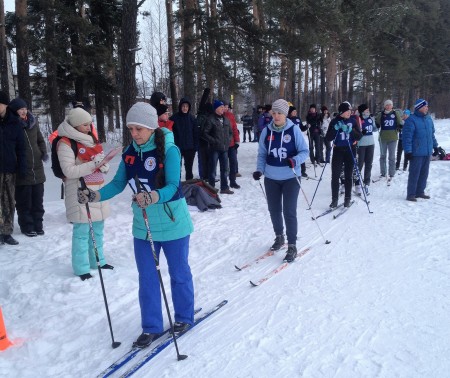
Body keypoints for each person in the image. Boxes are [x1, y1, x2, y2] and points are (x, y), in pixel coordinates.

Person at [78, 102, 195, 347]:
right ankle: (151, 326)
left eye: (139, 129)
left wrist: (153, 196)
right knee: (148, 278)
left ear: (151, 127)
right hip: (143, 226)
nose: (134, 134)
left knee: (178, 274)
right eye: (131, 129)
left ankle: (184, 317)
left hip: (173, 223)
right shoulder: (130, 152)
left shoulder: (169, 151)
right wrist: (94, 195)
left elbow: (174, 185)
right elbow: (118, 183)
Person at [56, 107, 112, 280]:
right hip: (80, 191)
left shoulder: (90, 140)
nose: (89, 127)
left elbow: (103, 164)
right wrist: (93, 164)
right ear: (75, 125)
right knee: (81, 232)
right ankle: (81, 268)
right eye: (85, 125)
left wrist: (104, 165)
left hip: (97, 189)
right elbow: (69, 171)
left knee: (98, 229)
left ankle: (98, 260)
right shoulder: (65, 143)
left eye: (90, 124)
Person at [252, 99, 309, 263]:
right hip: (271, 178)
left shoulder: (294, 130)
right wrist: (259, 170)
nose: (276, 116)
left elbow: (305, 151)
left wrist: (295, 160)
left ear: (285, 114)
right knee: (274, 209)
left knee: (289, 211)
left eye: (280, 113)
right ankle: (279, 236)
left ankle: (292, 245)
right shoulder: (266, 132)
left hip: (291, 177)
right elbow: (262, 154)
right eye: (274, 113)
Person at [9, 98, 48, 236]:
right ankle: (27, 227)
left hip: (37, 166)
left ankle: (38, 225)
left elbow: (40, 140)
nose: (24, 111)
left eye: (25, 108)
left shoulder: (33, 122)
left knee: (38, 200)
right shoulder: (11, 125)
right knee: (24, 201)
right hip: (22, 168)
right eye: (20, 109)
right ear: (14, 111)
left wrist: (42, 152)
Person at [0, 91, 26, 245]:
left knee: (9, 201)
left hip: (10, 168)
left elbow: (21, 149)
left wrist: (22, 167)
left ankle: (6, 232)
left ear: (5, 105)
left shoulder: (14, 122)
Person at [325, 102, 362, 208]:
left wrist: (350, 131)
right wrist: (334, 129)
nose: (349, 113)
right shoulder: (334, 121)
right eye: (347, 111)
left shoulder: (353, 121)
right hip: (338, 151)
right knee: (335, 175)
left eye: (350, 111)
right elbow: (328, 138)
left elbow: (359, 136)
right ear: (342, 112)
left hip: (350, 150)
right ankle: (334, 200)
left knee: (348, 175)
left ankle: (347, 199)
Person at [402, 99, 438, 202]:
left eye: (427, 106)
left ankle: (420, 191)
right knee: (414, 173)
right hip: (416, 152)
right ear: (419, 107)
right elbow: (407, 137)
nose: (427, 108)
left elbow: (431, 135)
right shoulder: (411, 120)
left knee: (424, 173)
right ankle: (411, 194)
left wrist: (435, 146)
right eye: (425, 106)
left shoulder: (428, 119)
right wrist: (408, 151)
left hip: (427, 151)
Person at [202, 100, 234, 194]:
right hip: (214, 149)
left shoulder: (226, 119)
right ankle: (211, 188)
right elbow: (205, 133)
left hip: (224, 149)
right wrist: (213, 141)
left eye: (223, 107)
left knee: (225, 169)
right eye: (221, 107)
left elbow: (230, 132)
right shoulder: (210, 119)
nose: (223, 108)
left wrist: (228, 140)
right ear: (216, 108)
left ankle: (224, 187)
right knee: (212, 170)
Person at [170, 98, 198, 181]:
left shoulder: (192, 118)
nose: (185, 108)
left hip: (190, 148)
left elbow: (196, 133)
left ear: (189, 108)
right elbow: (170, 133)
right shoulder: (174, 118)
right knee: (177, 168)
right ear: (180, 107)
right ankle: (176, 185)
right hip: (177, 148)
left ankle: (189, 185)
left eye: (186, 106)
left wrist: (195, 146)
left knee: (189, 168)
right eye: (183, 106)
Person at [375, 100, 402, 181]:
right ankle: (383, 173)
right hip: (383, 138)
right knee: (383, 156)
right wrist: (377, 124)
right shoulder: (381, 114)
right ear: (384, 106)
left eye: (390, 105)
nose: (388, 106)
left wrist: (400, 126)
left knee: (392, 156)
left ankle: (392, 173)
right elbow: (377, 123)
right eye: (387, 105)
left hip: (393, 138)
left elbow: (400, 122)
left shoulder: (395, 113)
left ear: (392, 106)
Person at [354, 104, 377, 195]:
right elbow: (356, 131)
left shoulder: (371, 118)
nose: (368, 111)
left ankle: (366, 182)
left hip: (371, 143)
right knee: (359, 164)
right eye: (366, 110)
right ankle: (357, 182)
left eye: (368, 109)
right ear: (362, 111)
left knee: (369, 163)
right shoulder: (358, 119)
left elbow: (374, 129)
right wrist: (360, 132)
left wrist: (375, 124)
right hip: (361, 144)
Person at [287, 105, 308, 178]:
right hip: (290, 140)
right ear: (290, 112)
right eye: (293, 111)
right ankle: (292, 169)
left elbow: (302, 128)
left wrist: (306, 126)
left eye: (295, 111)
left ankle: (303, 171)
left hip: (299, 139)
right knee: (292, 154)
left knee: (301, 153)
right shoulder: (287, 119)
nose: (295, 112)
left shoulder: (298, 119)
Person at [224, 102, 240, 189]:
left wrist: (237, 141)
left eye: (227, 107)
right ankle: (224, 183)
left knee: (233, 162)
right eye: (224, 107)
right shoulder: (218, 116)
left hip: (232, 144)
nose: (226, 108)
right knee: (224, 164)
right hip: (222, 145)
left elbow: (235, 129)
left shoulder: (231, 116)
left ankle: (233, 181)